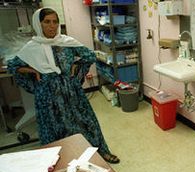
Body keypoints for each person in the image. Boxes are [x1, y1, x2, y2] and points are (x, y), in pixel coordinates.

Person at [7, 8, 120, 164]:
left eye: (55, 22)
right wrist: (31, 70)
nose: (52, 26)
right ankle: (60, 164)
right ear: (38, 24)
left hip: (71, 90)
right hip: (47, 95)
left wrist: (76, 64)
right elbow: (12, 66)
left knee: (87, 122)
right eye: (47, 22)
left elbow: (89, 55)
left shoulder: (66, 42)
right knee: (54, 129)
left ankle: (101, 152)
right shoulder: (31, 47)